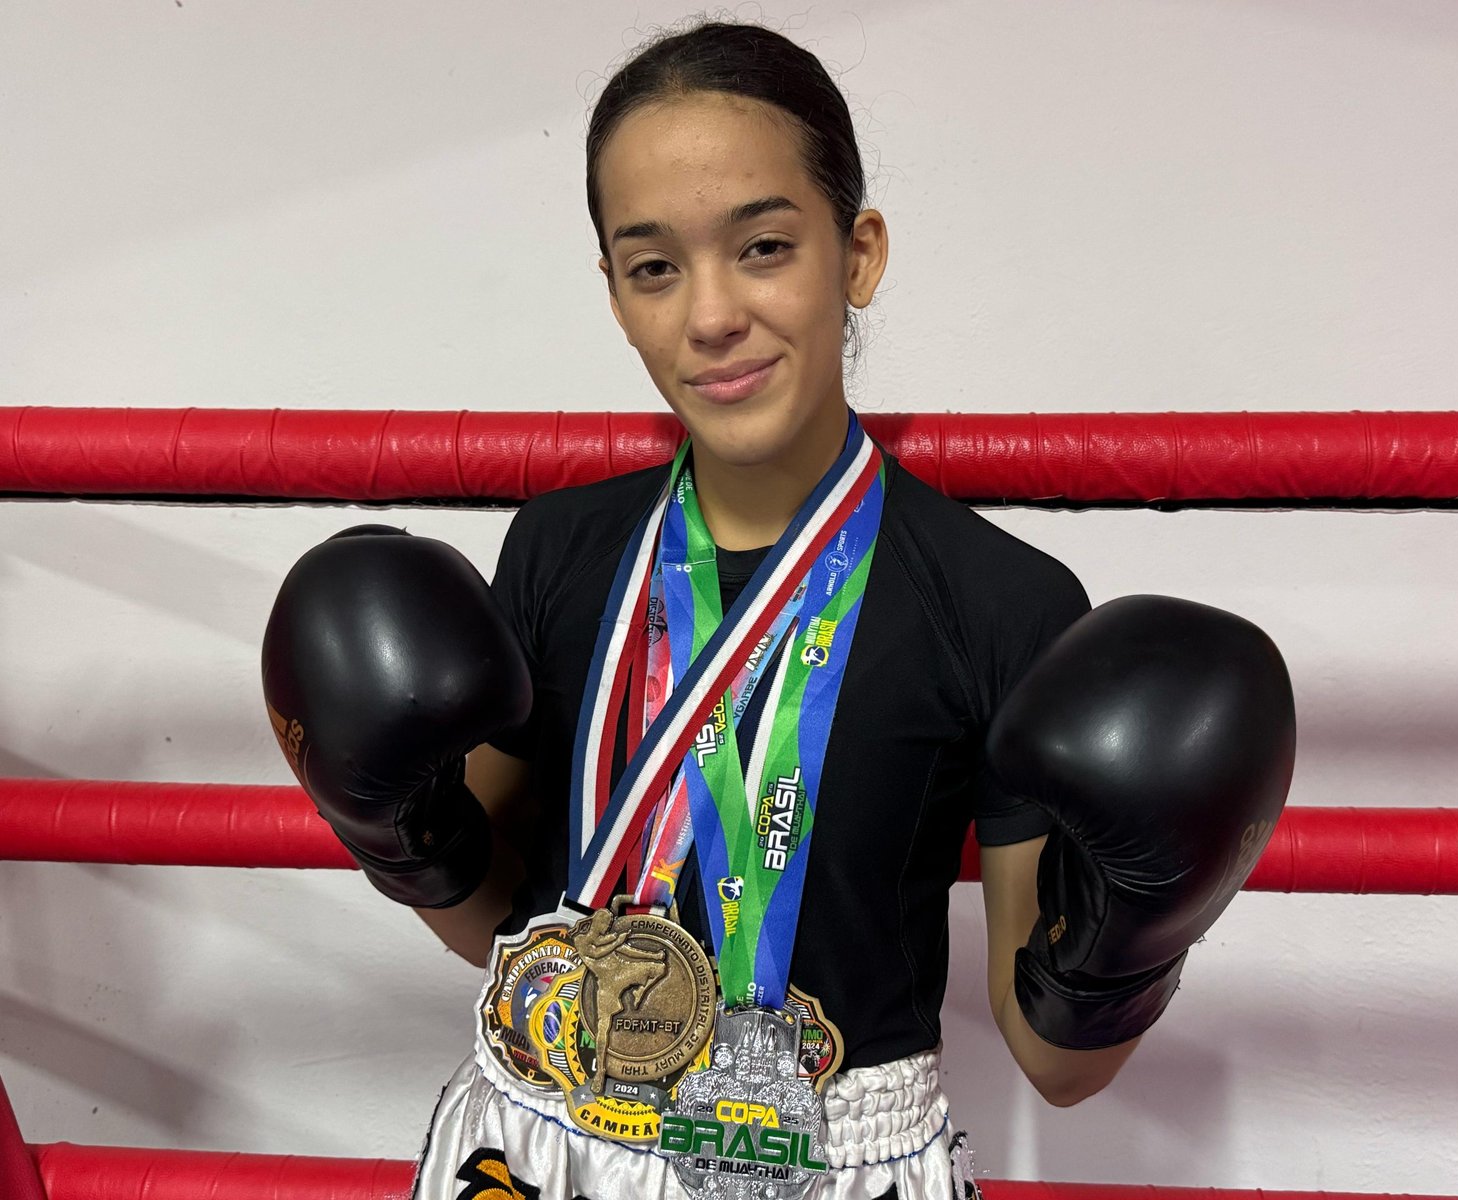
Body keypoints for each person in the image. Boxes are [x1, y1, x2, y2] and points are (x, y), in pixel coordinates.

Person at [260, 19, 1295, 1200]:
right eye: (654, 266)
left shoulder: (1000, 601)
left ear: (856, 255)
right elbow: (497, 918)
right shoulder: (559, 549)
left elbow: (1057, 1066)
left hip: (825, 1162)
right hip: (536, 1141)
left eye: (760, 247)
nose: (709, 316)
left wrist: (1130, 940)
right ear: (612, 290)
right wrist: (409, 837)